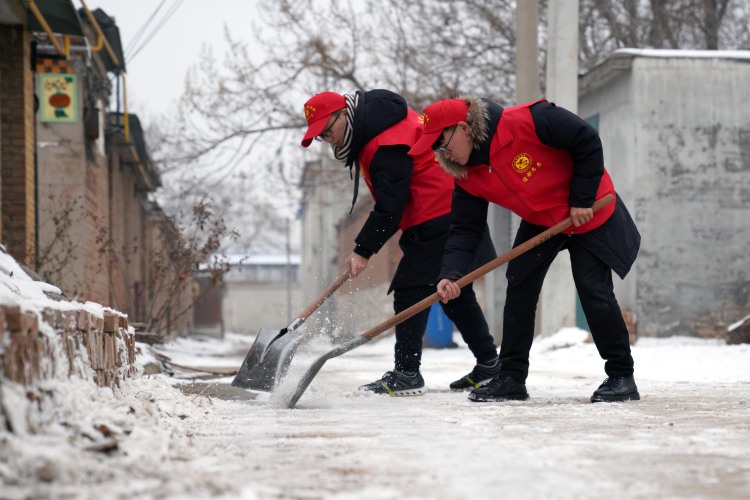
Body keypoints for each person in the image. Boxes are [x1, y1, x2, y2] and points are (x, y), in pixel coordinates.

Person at [408, 96, 641, 403]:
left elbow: (585, 138)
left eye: (441, 142)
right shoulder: (467, 176)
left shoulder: (529, 120)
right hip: (543, 220)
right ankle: (512, 377)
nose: (442, 153)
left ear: (463, 128)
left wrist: (582, 198)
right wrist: (451, 274)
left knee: (592, 288)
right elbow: (465, 229)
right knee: (519, 284)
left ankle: (622, 376)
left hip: (587, 209)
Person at [300, 89, 501, 395]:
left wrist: (362, 250)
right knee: (455, 294)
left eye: (328, 130)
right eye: (320, 137)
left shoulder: (384, 140)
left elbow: (391, 204)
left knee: (409, 290)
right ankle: (489, 364)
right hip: (449, 209)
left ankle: (407, 373)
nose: (327, 139)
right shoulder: (377, 127)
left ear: (345, 114)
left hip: (441, 213)